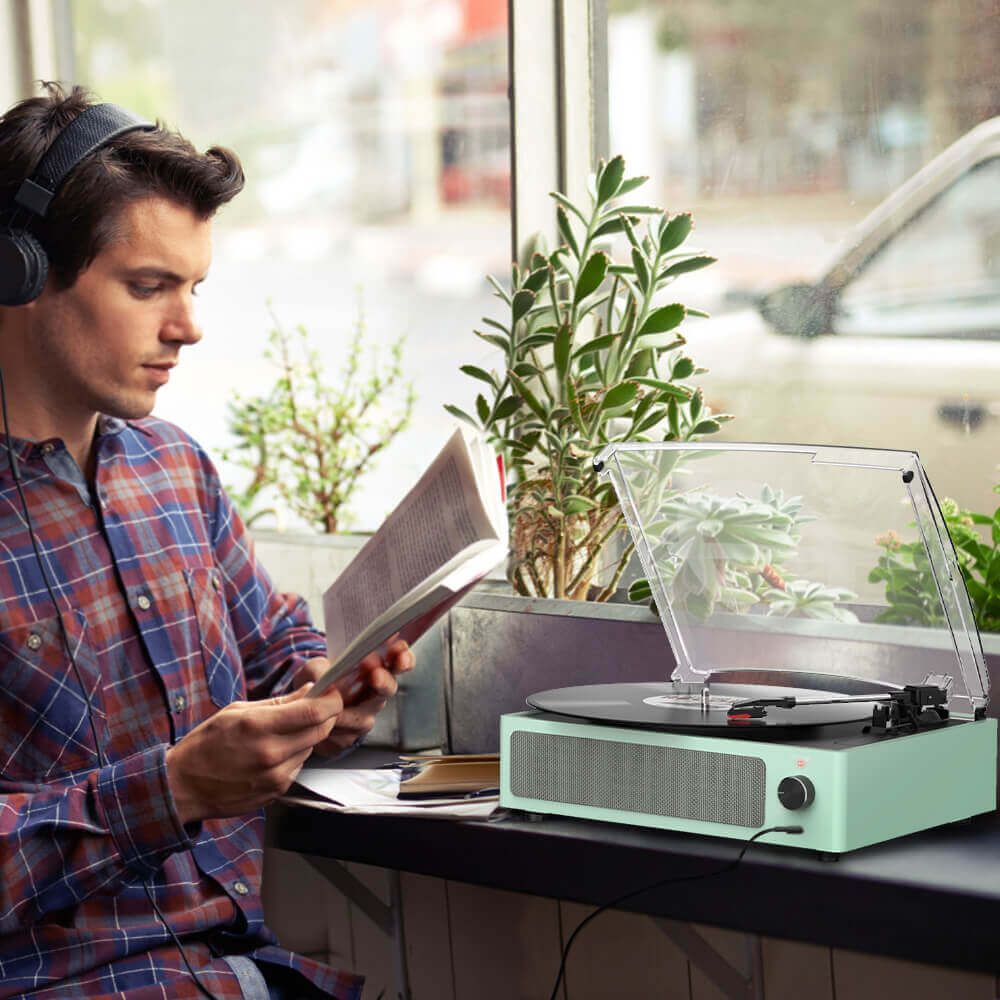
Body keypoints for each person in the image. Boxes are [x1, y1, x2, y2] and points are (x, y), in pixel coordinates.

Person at [0, 82, 414, 999]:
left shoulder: (173, 469)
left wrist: (324, 695)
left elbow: (275, 653)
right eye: (149, 287)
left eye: (192, 288)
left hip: (258, 964)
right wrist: (177, 787)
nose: (188, 327)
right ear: (19, 272)